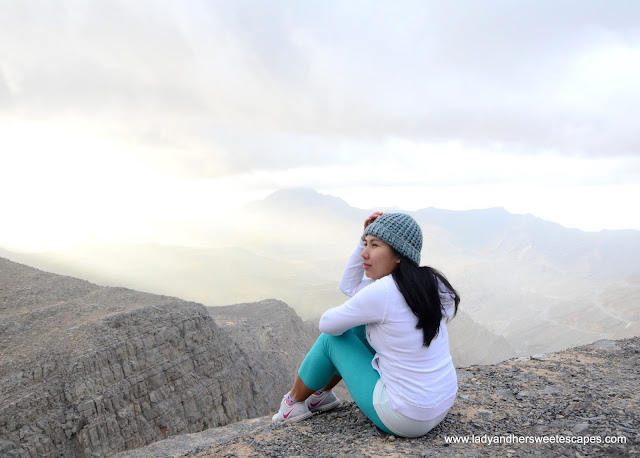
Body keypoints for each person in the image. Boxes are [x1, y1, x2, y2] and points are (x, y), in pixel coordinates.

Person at [271, 212, 460, 437]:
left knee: (333, 338)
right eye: (365, 243)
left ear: (399, 254)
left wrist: (354, 309)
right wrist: (365, 238)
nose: (364, 253)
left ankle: (292, 404)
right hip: (441, 404)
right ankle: (320, 395)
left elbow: (327, 324)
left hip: (407, 418)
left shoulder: (384, 291)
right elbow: (349, 287)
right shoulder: (431, 282)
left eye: (375, 245)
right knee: (359, 327)